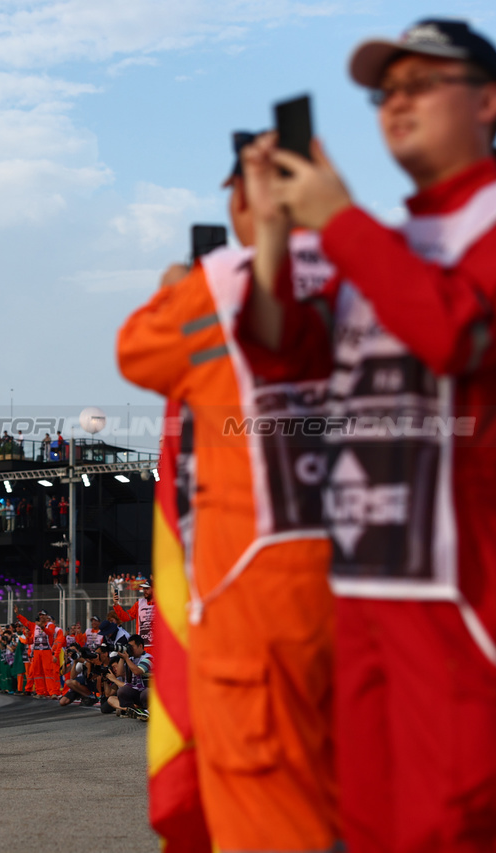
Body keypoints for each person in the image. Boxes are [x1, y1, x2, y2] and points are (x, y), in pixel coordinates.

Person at [238, 19, 496, 852]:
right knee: (371, 826)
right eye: (386, 91)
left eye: (422, 84)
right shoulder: (385, 240)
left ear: (488, 101)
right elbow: (281, 353)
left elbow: (456, 332)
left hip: (463, 584)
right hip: (366, 580)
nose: (397, 104)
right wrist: (274, 231)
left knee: (453, 825)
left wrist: (338, 221)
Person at [117, 127, 339, 852]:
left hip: (255, 595)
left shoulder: (213, 285)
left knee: (262, 810)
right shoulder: (379, 270)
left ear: (247, 201)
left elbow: (136, 352)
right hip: (383, 587)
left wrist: (183, 284)